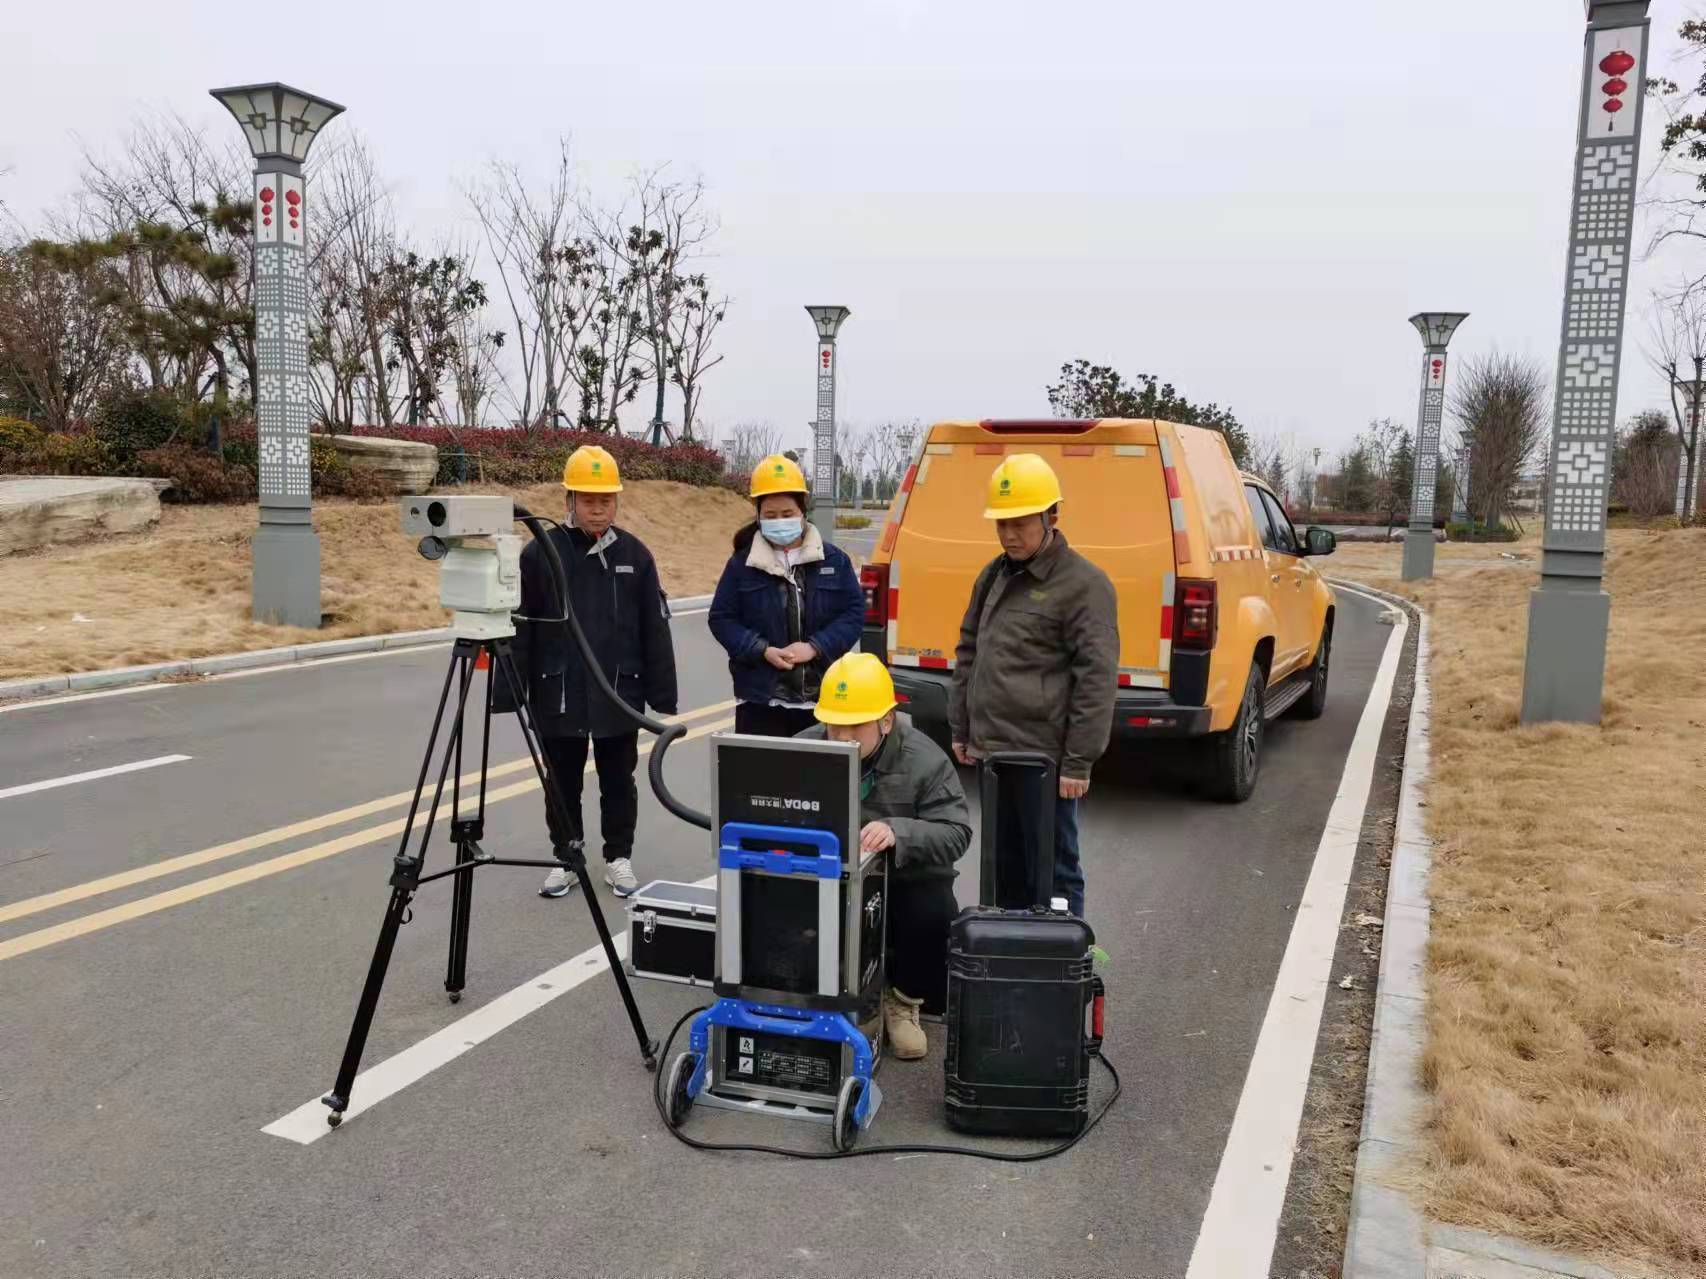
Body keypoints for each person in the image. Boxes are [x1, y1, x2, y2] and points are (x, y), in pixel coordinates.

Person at [503, 445, 678, 899]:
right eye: (587, 500)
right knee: (561, 783)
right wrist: (509, 691)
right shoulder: (541, 553)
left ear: (616, 502)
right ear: (570, 500)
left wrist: (662, 695)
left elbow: (654, 628)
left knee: (618, 781)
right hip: (558, 692)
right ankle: (566, 857)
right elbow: (520, 626)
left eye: (605, 500)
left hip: (618, 694)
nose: (597, 508)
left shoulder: (635, 555)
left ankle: (618, 858)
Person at [948, 453, 1119, 919]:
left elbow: (1096, 678)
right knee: (1004, 869)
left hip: (1044, 759)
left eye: (1020, 523)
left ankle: (1065, 953)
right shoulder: (994, 574)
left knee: (1054, 870)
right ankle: (1009, 949)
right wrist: (961, 727)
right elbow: (969, 650)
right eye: (1001, 523)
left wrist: (1078, 762)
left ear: (1051, 517)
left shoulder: (1084, 584)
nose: (1009, 534)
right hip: (995, 754)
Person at [797, 652, 971, 1061]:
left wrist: (898, 831)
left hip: (903, 878)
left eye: (855, 726)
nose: (842, 737)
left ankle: (904, 1000)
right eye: (834, 725)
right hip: (833, 875)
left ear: (886, 721)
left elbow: (957, 832)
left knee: (933, 910)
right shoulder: (804, 748)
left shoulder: (925, 759)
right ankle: (841, 995)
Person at [708, 454, 865, 738]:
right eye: (770, 516)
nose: (779, 521)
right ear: (758, 514)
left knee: (815, 769)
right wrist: (762, 650)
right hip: (759, 702)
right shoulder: (742, 564)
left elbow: (853, 615)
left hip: (821, 702)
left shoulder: (834, 561)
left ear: (802, 510)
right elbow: (722, 619)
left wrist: (815, 647)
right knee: (761, 769)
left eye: (787, 513)